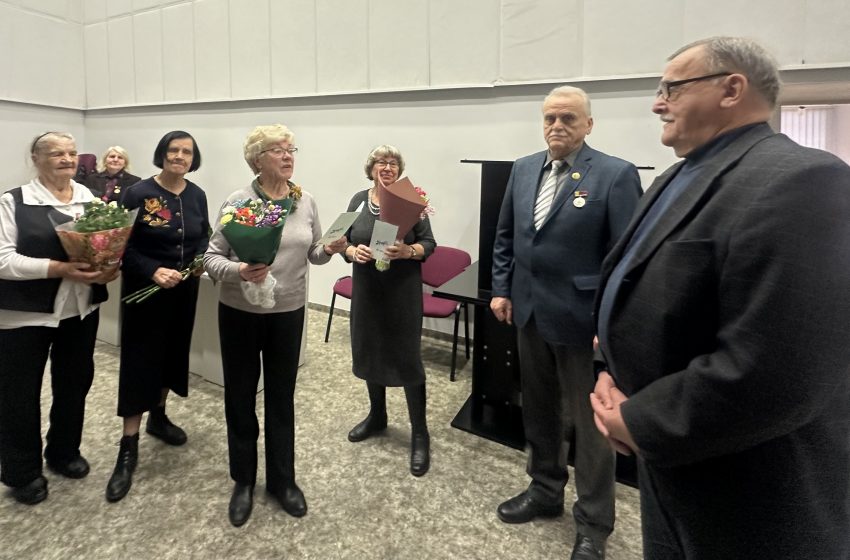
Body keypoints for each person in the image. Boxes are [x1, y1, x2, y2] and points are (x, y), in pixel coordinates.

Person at [590, 37, 850, 560]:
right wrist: (609, 370)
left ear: (732, 89)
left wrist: (641, 421)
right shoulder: (675, 177)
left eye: (672, 88)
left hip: (748, 490)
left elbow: (779, 369)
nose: (657, 103)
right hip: (672, 465)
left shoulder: (802, 180)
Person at [490, 86, 641, 560]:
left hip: (582, 321)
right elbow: (506, 236)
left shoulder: (615, 175)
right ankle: (545, 490)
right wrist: (501, 288)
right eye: (551, 118)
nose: (558, 126)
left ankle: (594, 523)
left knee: (590, 424)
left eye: (569, 119)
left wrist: (609, 319)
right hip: (529, 311)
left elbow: (627, 258)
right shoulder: (522, 168)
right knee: (538, 407)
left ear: (588, 125)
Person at [205, 124, 347, 527]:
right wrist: (239, 270)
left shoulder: (305, 201)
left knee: (282, 398)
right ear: (256, 159)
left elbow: (315, 254)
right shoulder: (238, 200)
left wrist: (331, 248)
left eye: (291, 149)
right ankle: (244, 481)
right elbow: (211, 258)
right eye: (278, 150)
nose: (288, 156)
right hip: (239, 313)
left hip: (287, 311)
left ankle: (282, 481)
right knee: (240, 396)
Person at [0, 132, 119, 504]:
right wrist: (58, 268)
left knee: (74, 384)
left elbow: (106, 245)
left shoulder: (89, 198)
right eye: (56, 153)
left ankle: (64, 451)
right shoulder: (13, 201)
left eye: (71, 153)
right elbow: (3, 259)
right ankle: (22, 472)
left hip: (80, 311)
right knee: (19, 395)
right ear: (36, 158)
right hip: (23, 316)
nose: (66, 159)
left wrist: (108, 267)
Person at [105, 130, 210, 503]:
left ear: (193, 159)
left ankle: (159, 417)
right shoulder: (138, 194)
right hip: (144, 291)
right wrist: (152, 270)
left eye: (186, 152)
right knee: (140, 361)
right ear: (162, 154)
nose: (179, 156)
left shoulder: (197, 195)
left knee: (171, 354)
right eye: (173, 150)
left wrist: (199, 262)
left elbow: (203, 236)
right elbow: (121, 246)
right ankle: (128, 445)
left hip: (183, 290)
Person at [342, 145, 436, 477]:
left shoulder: (411, 200)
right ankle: (377, 416)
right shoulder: (357, 200)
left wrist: (408, 250)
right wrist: (353, 251)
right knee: (370, 349)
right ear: (370, 168)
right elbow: (341, 240)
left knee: (406, 357)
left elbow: (429, 244)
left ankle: (420, 432)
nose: (387, 167)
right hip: (367, 290)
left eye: (393, 163)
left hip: (401, 291)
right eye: (381, 162)